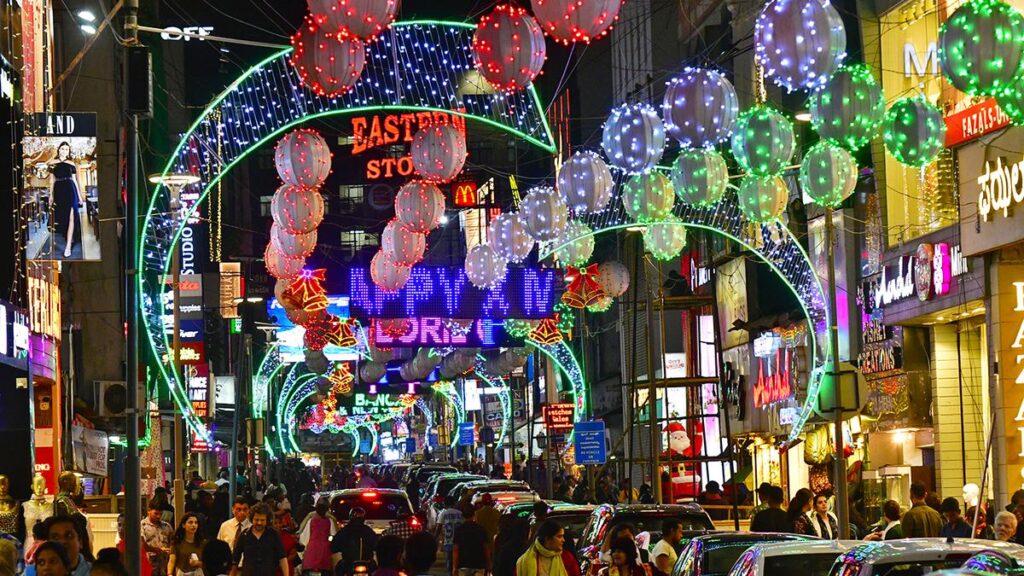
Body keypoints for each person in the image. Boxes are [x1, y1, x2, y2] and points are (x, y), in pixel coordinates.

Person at [231, 503, 288, 576]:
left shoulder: (274, 535)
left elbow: (282, 558)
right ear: (251, 519)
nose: (259, 523)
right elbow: (235, 560)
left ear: (267, 520)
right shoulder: (244, 535)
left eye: (262, 520)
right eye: (256, 520)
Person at [48, 141, 82, 259]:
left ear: (69, 151)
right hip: (59, 190)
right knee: (63, 216)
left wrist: (80, 196)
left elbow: (75, 180)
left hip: (70, 188)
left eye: (67, 149)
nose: (64, 151)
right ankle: (69, 236)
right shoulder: (52, 163)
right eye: (62, 149)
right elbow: (51, 181)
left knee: (72, 215)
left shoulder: (71, 163)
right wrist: (51, 195)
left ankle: (68, 246)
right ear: (59, 150)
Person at [514, 520, 581, 576]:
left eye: (563, 536)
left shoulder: (567, 558)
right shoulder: (525, 561)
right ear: (547, 539)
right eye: (559, 536)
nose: (563, 540)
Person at [330, 508, 378, 575]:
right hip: (352, 563)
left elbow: (334, 546)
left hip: (353, 563)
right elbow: (377, 544)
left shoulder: (345, 531)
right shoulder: (368, 531)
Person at [298, 497, 335, 575]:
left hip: (311, 556)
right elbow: (335, 534)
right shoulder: (330, 520)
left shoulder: (310, 520)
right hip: (325, 555)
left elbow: (303, 538)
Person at [453, 504, 490, 576]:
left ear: (462, 515)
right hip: (479, 564)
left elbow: (455, 549)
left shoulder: (459, 530)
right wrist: (489, 563)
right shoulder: (480, 529)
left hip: (463, 564)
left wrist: (454, 567)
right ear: (474, 514)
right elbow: (486, 547)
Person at [142, 500, 173, 576]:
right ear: (149, 511)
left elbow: (173, 541)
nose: (158, 516)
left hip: (164, 566)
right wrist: (157, 550)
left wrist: (170, 549)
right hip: (149, 565)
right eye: (156, 513)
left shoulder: (167, 526)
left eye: (160, 514)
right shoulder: (142, 525)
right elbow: (142, 545)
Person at [436, 496, 463, 575]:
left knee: (449, 565)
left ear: (444, 504)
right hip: (460, 542)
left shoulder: (443, 513)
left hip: (448, 541)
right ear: (454, 503)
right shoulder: (460, 513)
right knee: (459, 563)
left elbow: (439, 527)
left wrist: (434, 538)